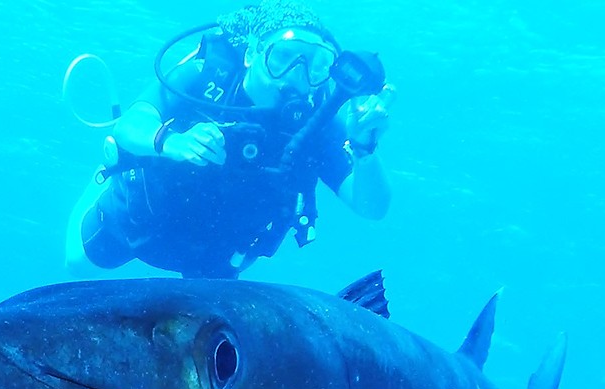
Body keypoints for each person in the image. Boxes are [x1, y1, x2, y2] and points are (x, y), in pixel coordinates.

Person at [66, 0, 393, 279]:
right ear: (252, 54)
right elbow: (129, 125)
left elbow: (371, 208)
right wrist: (171, 142)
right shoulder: (209, 75)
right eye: (283, 57)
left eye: (316, 65)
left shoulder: (318, 120)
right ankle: (98, 185)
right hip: (138, 221)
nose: (297, 76)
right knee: (77, 266)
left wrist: (365, 150)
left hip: (219, 256)